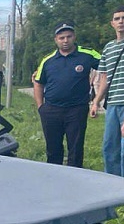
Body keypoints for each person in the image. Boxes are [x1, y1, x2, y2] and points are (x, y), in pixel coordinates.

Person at [32, 21, 101, 167]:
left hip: (76, 110)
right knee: (53, 149)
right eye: (61, 38)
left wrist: (97, 99)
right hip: (51, 110)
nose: (65, 40)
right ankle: (54, 176)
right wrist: (41, 107)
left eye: (69, 37)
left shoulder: (88, 54)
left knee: (75, 149)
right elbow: (38, 83)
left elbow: (108, 66)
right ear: (56, 40)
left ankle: (74, 177)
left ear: (74, 37)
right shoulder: (47, 60)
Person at [93, 6, 124, 175]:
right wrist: (96, 101)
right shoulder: (108, 48)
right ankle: (112, 183)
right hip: (112, 104)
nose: (121, 21)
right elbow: (105, 78)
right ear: (112, 23)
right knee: (109, 147)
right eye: (117, 18)